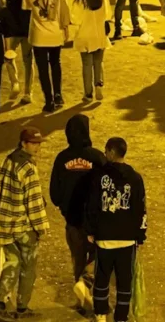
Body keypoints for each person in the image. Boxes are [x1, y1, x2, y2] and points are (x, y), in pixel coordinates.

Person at [86, 137, 148, 322]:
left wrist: (91, 230)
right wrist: (140, 235)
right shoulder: (136, 178)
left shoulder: (99, 177)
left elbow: (92, 206)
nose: (104, 155)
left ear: (112, 152)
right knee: (124, 282)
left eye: (106, 151)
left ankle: (100, 314)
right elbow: (140, 208)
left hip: (105, 238)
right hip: (127, 239)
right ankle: (121, 317)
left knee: (102, 278)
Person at [0, 127, 49, 320]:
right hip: (24, 227)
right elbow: (33, 203)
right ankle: (22, 307)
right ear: (24, 143)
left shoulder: (8, 160)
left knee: (11, 263)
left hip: (6, 223)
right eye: (34, 143)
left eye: (39, 143)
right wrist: (41, 228)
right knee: (28, 268)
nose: (37, 147)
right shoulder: (28, 168)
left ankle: (0, 305)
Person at [49, 115, 106, 312]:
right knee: (100, 256)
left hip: (72, 221)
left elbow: (54, 194)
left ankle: (81, 299)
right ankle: (91, 293)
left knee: (78, 259)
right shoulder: (98, 157)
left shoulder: (61, 158)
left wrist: (65, 205)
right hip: (96, 221)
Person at [23, 0, 71, 112]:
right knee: (55, 64)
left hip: (38, 35)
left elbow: (26, 8)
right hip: (55, 33)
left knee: (43, 69)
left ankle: (49, 100)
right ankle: (58, 95)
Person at [73, 0, 112, 102]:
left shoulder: (80, 2)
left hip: (85, 37)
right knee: (98, 62)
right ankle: (99, 84)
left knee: (86, 65)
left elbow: (75, 20)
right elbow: (108, 16)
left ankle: (88, 94)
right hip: (100, 36)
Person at [2, 0, 33, 105]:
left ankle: (14, 82)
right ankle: (28, 92)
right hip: (27, 29)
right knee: (28, 62)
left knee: (8, 58)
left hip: (12, 28)